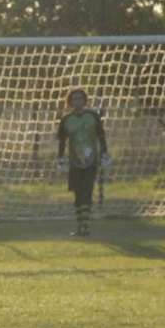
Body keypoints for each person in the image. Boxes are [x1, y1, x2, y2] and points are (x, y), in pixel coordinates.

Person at [57, 89, 109, 236]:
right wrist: (60, 158)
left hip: (91, 160)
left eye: (80, 98)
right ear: (70, 102)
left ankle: (85, 226)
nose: (77, 101)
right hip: (75, 161)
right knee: (78, 192)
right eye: (74, 99)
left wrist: (105, 153)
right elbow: (62, 140)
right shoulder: (66, 119)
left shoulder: (93, 116)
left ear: (85, 100)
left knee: (87, 190)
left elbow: (101, 136)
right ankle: (81, 224)